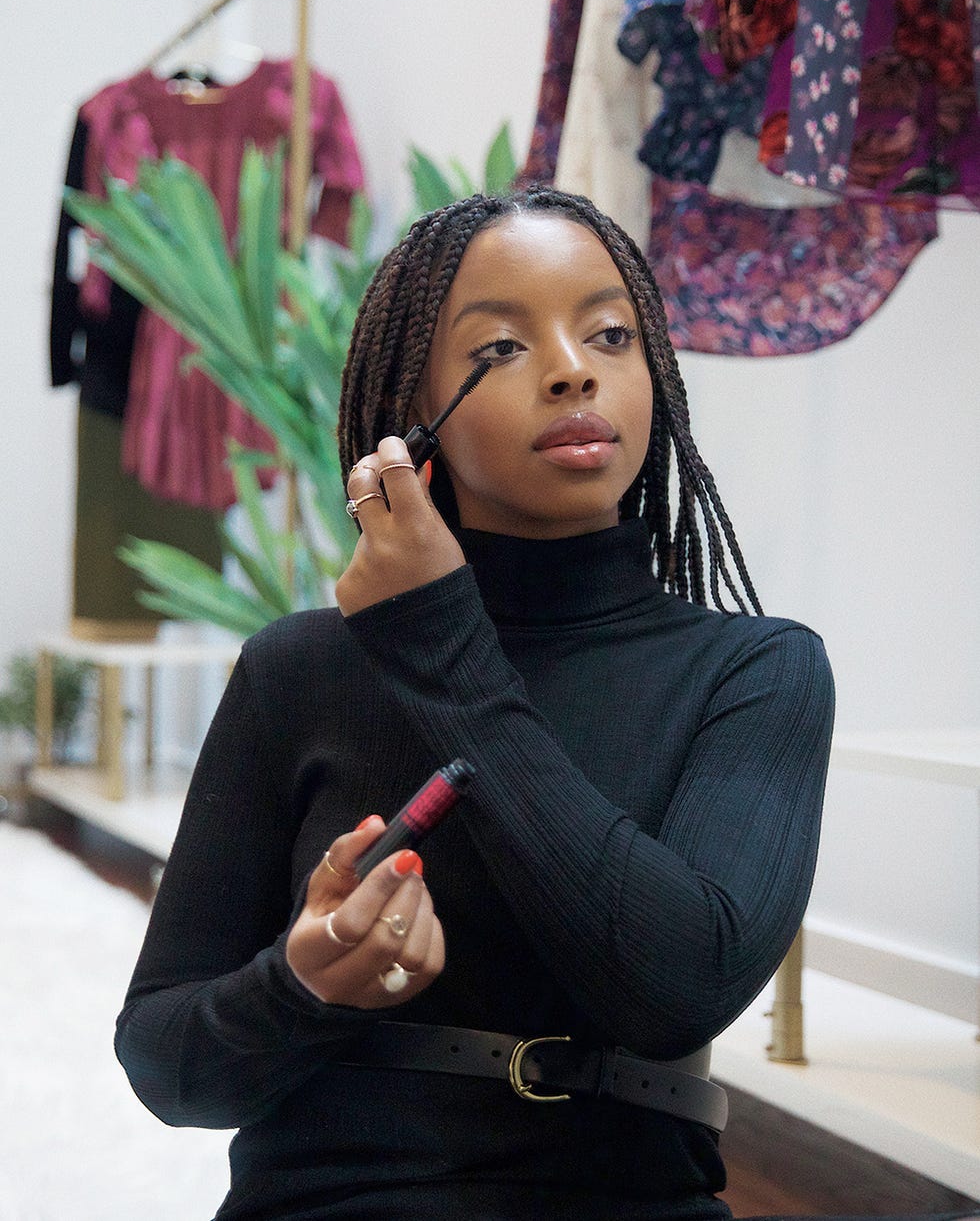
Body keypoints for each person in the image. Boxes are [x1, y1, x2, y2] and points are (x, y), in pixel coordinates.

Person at [115, 185, 836, 1220]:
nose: (572, 367)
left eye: (609, 333)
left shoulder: (756, 672)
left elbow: (677, 989)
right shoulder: (297, 672)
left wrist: (444, 653)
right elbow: (167, 1071)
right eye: (499, 348)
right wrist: (300, 985)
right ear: (412, 418)